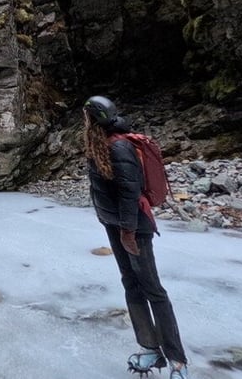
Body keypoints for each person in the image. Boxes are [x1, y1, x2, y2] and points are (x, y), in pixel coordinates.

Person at [83, 95, 189, 379]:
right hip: (116, 225)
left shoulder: (119, 147)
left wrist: (128, 232)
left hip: (134, 228)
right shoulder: (100, 144)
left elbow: (130, 193)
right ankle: (150, 347)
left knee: (153, 289)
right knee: (131, 286)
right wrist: (114, 226)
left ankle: (177, 361)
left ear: (92, 119)